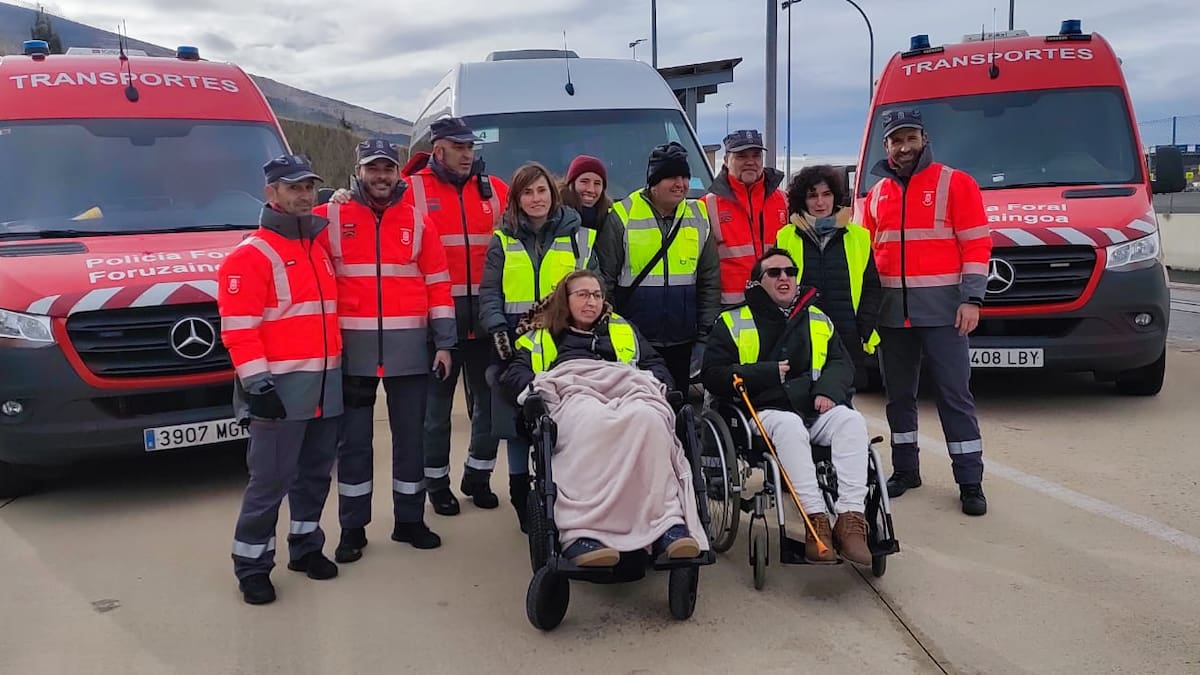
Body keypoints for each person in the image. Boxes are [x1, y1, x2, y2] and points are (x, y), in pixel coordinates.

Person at [499, 270, 705, 566]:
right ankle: (585, 531)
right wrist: (538, 391)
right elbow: (514, 375)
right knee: (591, 419)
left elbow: (654, 364)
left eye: (596, 295)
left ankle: (665, 524)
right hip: (574, 394)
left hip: (626, 393)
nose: (591, 301)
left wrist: (657, 384)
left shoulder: (622, 328)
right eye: (582, 295)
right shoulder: (541, 336)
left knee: (649, 418)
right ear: (564, 299)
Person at [314, 139, 454, 562]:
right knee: (353, 445)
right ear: (358, 171)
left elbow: (438, 284)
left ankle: (409, 521)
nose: (380, 176)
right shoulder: (329, 217)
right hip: (352, 356)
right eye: (372, 168)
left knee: (410, 441)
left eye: (387, 168)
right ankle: (352, 528)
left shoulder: (419, 221)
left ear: (398, 172)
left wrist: (445, 342)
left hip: (409, 353)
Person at [218, 155, 344, 605]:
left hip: (324, 388)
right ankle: (252, 566)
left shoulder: (317, 247)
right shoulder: (249, 256)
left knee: (315, 476)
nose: (304, 195)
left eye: (308, 187)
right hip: (279, 392)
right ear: (271, 193)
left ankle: (306, 546)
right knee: (270, 482)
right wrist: (259, 386)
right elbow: (238, 330)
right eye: (293, 188)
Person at [860, 108, 992, 516]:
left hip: (944, 314)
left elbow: (977, 244)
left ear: (924, 139)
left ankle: (969, 481)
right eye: (896, 140)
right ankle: (905, 470)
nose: (904, 147)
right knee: (899, 398)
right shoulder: (877, 194)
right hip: (892, 317)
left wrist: (972, 299)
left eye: (910, 138)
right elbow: (865, 255)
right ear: (886, 146)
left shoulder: (956, 183)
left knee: (954, 397)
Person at [702, 248, 872, 565]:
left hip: (811, 407)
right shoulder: (733, 321)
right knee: (789, 426)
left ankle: (851, 519)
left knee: (851, 421)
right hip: (762, 412)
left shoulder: (818, 317)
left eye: (790, 272)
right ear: (757, 282)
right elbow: (712, 375)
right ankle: (815, 522)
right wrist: (766, 373)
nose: (785, 277)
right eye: (774, 272)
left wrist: (828, 391)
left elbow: (841, 362)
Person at [478, 161, 596, 531]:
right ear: (516, 199)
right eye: (527, 192)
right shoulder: (502, 240)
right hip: (515, 345)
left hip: (563, 344)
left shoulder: (578, 236)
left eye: (541, 190)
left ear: (553, 193)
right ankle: (520, 495)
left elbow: (592, 287)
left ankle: (567, 492)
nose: (536, 198)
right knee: (516, 421)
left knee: (567, 419)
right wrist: (497, 330)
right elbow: (490, 293)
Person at [407, 117, 510, 515]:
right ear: (438, 150)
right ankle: (437, 485)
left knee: (490, 405)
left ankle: (478, 477)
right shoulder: (411, 189)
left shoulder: (495, 190)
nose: (467, 155)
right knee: (436, 413)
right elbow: (370, 214)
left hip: (486, 320)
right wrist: (341, 199)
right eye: (459, 147)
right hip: (438, 323)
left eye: (470, 147)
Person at [596, 142, 722, 391]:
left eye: (684, 177)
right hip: (634, 339)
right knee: (639, 402)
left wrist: (704, 334)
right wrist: (610, 329)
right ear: (654, 182)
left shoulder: (699, 215)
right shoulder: (622, 215)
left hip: (683, 340)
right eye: (671, 177)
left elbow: (709, 280)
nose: (680, 184)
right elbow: (604, 280)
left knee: (678, 403)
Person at [776, 165, 882, 391]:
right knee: (803, 397)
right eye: (812, 196)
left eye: (826, 194)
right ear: (802, 200)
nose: (820, 202)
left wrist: (864, 327)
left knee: (843, 398)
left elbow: (871, 286)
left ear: (835, 196)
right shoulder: (785, 237)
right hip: (802, 335)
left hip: (846, 334)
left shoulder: (859, 236)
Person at [703, 129, 788, 306]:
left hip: (776, 303)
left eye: (756, 156)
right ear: (726, 160)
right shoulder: (707, 205)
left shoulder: (784, 201)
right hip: (729, 307)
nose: (750, 162)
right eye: (741, 156)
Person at [560, 154, 612, 232]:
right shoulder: (554, 217)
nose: (591, 190)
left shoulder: (612, 220)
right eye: (584, 181)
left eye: (597, 183)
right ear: (571, 184)